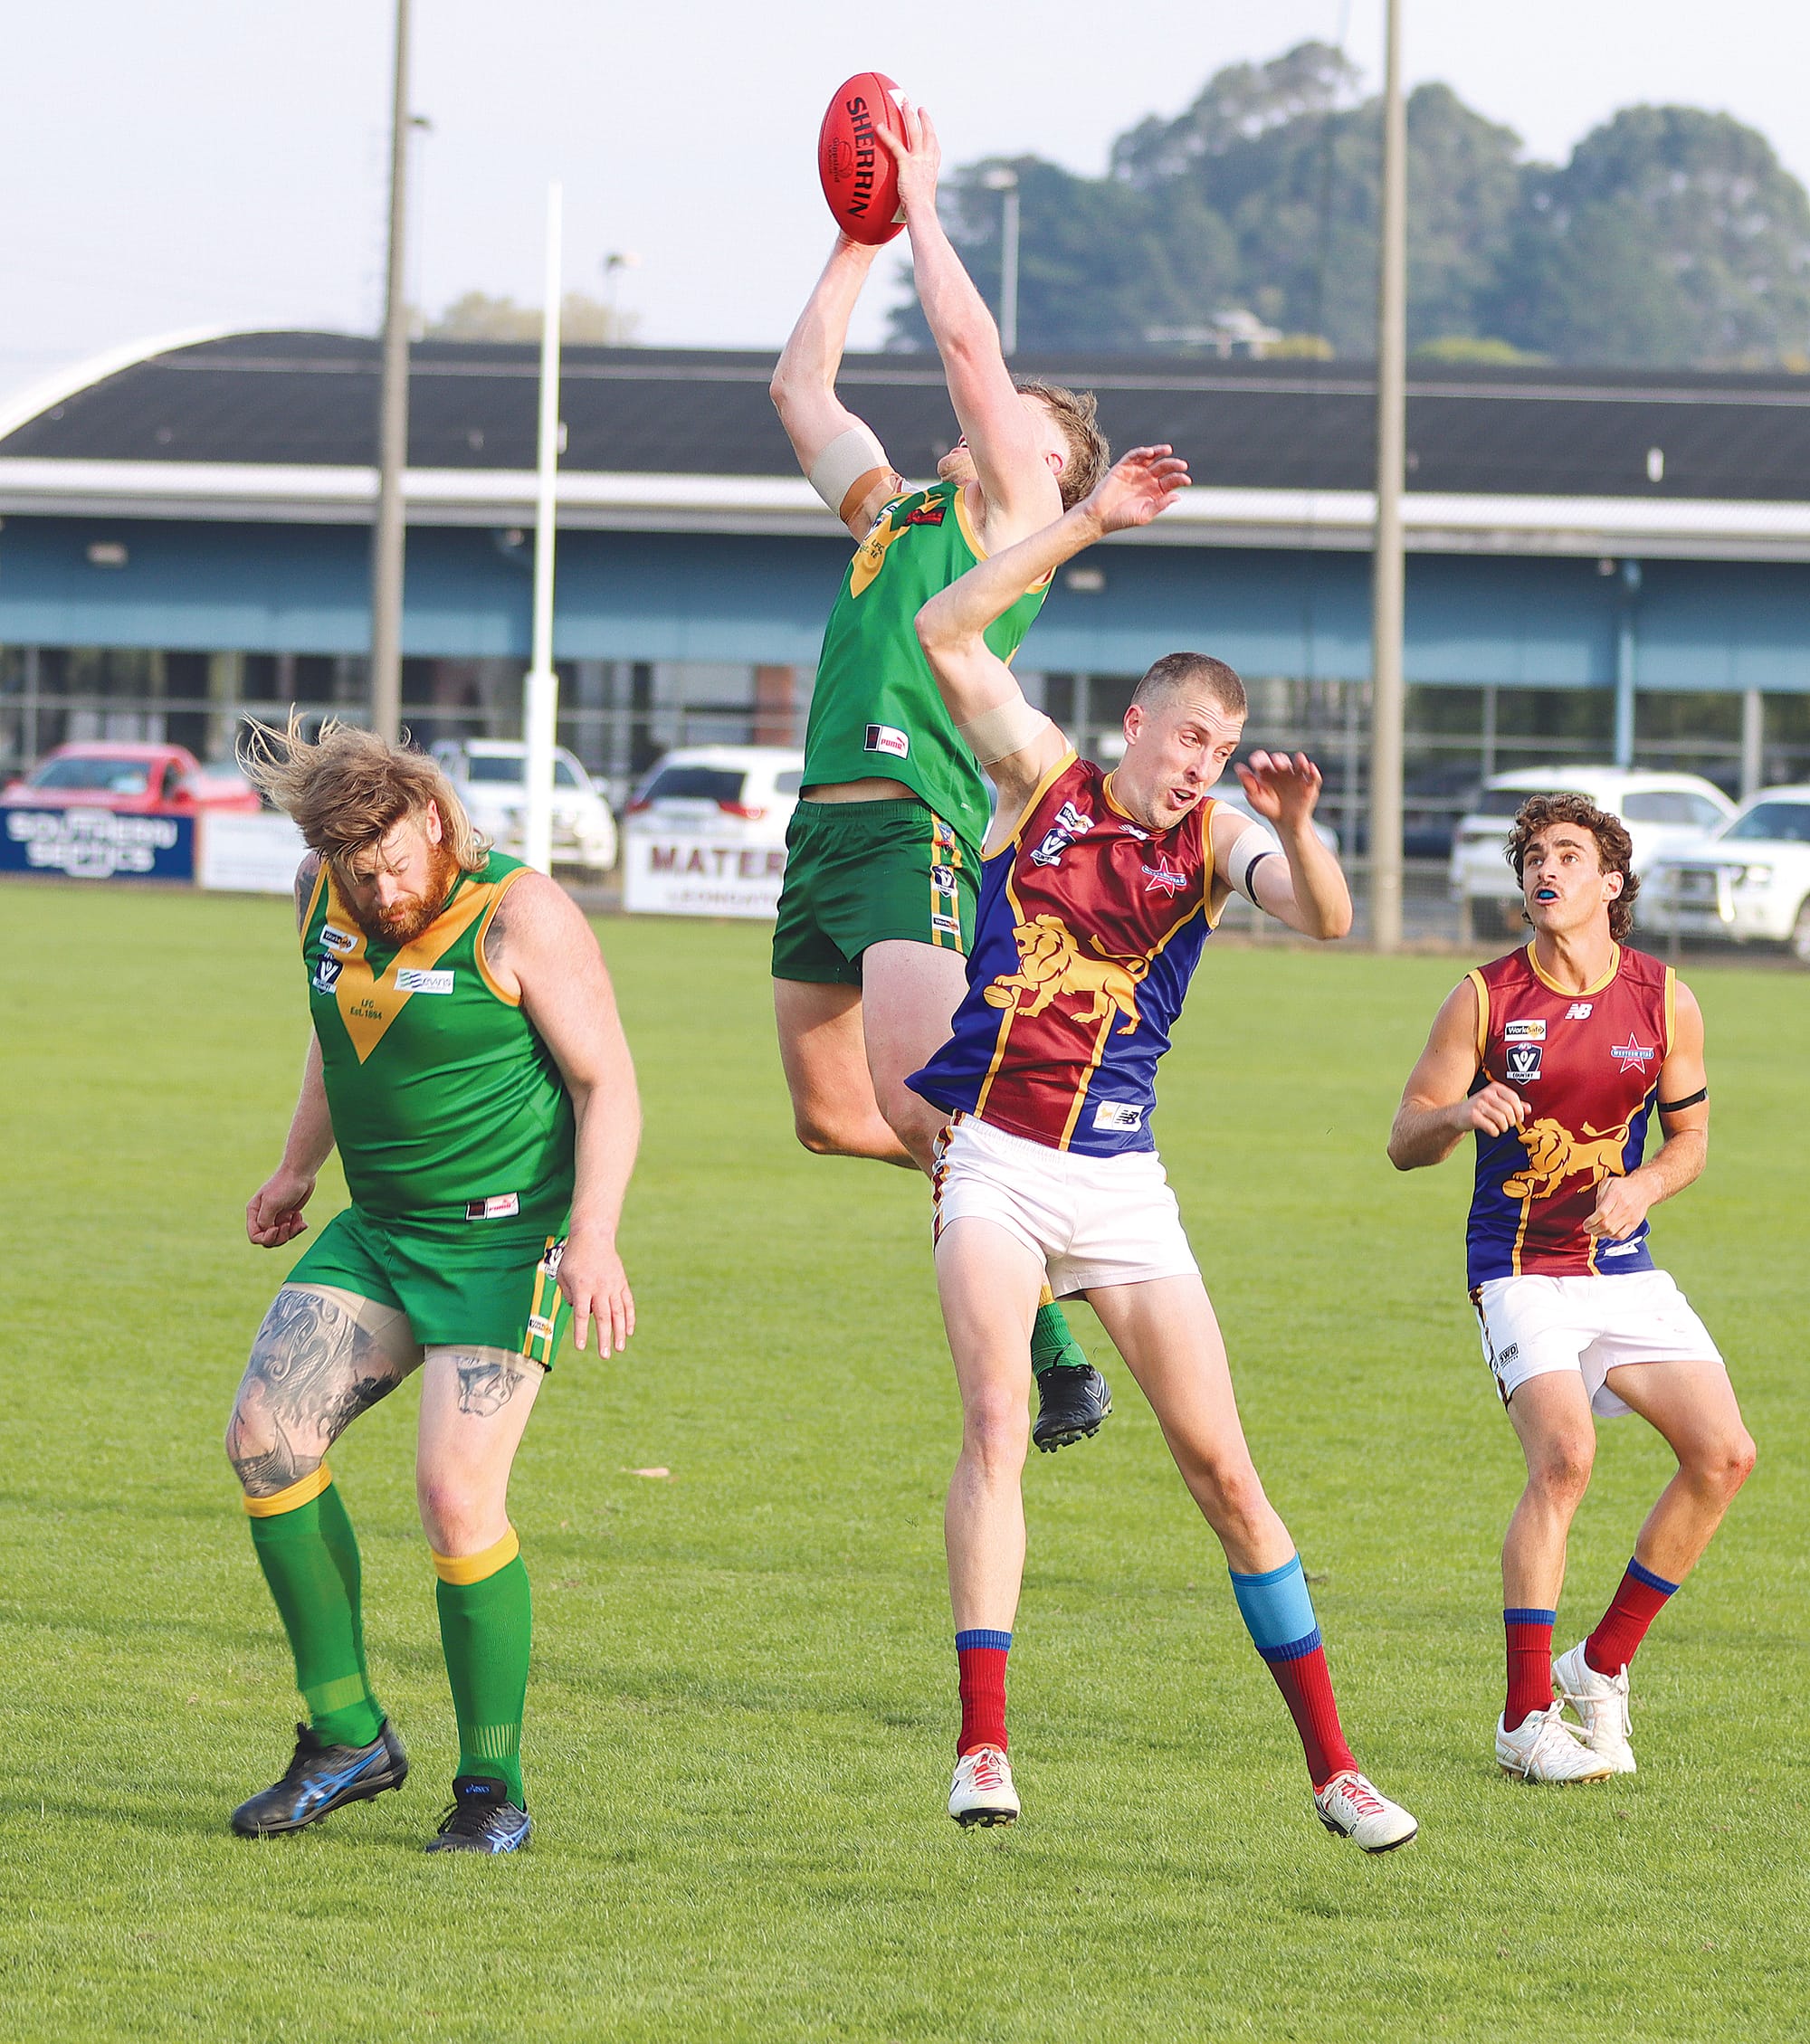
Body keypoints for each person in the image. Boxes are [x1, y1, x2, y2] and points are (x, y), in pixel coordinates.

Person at [903, 444, 1418, 1851]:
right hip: (1000, 1158)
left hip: (1124, 1182)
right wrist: (1082, 518)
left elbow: (1321, 917)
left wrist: (1303, 831)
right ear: (1141, 723)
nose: (1203, 766)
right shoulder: (1046, 782)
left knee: (1224, 1469)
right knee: (999, 1419)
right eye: (1190, 740)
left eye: (1220, 751)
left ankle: (1335, 1768)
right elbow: (944, 628)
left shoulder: (1219, 840)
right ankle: (984, 1744)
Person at [224, 721, 640, 1852]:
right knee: (266, 1437)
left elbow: (610, 1085)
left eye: (397, 862)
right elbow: (340, 1032)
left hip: (507, 1246)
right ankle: (346, 1736)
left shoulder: (521, 915)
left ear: (438, 823)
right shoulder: (322, 892)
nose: (382, 887)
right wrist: (296, 1167)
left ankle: (490, 1786)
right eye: (359, 871)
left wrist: (593, 1238)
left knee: (456, 1498)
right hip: (381, 1232)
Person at [769, 100, 1115, 1451]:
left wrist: (919, 199)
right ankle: (1025, 1184)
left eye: (1019, 418)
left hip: (915, 822)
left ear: (1053, 468)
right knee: (832, 1118)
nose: (984, 409)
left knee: (925, 1110)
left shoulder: (1017, 517)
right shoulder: (904, 510)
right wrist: (854, 234)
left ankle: (1056, 1342)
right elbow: (802, 394)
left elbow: (971, 341)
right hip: (821, 836)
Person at [1387, 794, 1754, 1783]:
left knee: (1722, 1457)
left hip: (1616, 1269)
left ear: (1608, 883)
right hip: (1515, 1270)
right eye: (1531, 858)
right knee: (1564, 1459)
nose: (1542, 872)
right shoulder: (1482, 997)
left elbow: (1689, 1142)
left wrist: (1641, 1185)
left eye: (1564, 856)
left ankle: (1597, 1664)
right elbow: (1400, 1138)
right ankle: (1520, 1721)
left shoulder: (1663, 997)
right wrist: (1459, 1112)